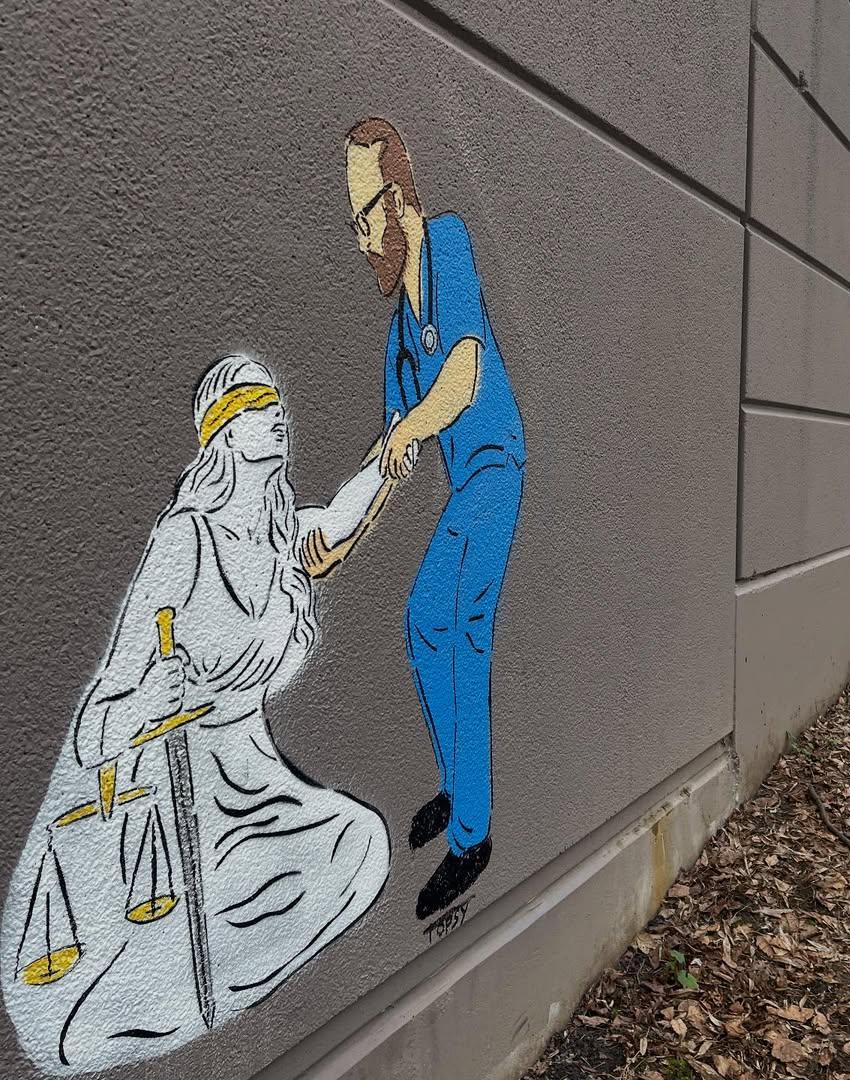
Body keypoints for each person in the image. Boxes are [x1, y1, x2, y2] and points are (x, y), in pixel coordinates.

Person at [1, 356, 397, 1072]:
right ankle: (165, 993)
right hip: (177, 808)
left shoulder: (280, 540)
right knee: (150, 966)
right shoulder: (185, 541)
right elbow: (95, 726)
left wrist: (399, 444)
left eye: (275, 402)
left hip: (264, 792)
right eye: (254, 406)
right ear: (222, 434)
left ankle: (211, 986)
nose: (275, 414)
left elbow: (341, 515)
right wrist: (149, 701)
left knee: (360, 844)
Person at [345, 117, 526, 920]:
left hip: (498, 465)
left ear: (398, 196)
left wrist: (410, 427)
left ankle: (473, 835)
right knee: (424, 621)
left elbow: (463, 373)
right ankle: (458, 790)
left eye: (363, 216)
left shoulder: (448, 245)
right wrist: (336, 537)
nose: (360, 238)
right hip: (462, 485)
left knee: (464, 625)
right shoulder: (396, 339)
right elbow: (392, 455)